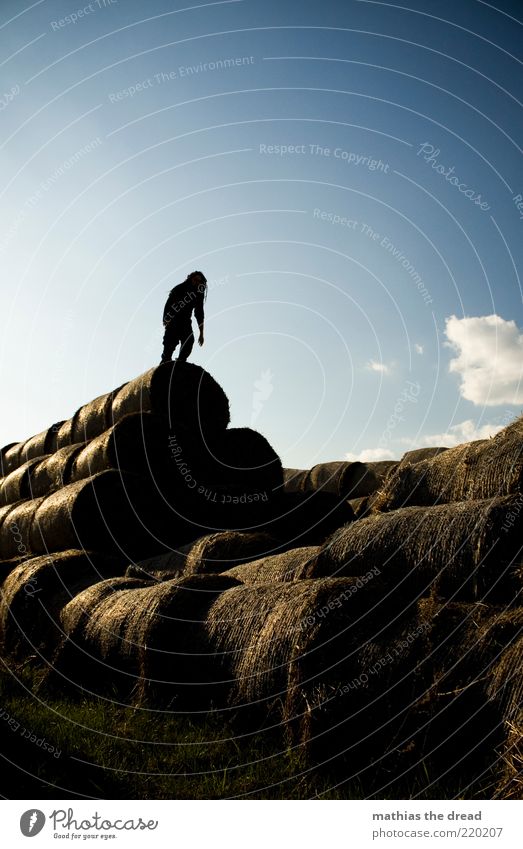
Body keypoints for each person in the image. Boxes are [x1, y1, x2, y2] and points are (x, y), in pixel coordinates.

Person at [160, 270, 207, 363]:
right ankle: (165, 362)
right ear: (190, 279)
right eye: (195, 280)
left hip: (185, 322)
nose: (197, 282)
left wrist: (201, 333)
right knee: (169, 346)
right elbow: (168, 304)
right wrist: (166, 318)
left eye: (199, 281)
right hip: (173, 320)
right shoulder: (179, 288)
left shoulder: (198, 295)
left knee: (189, 341)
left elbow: (199, 313)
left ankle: (180, 362)